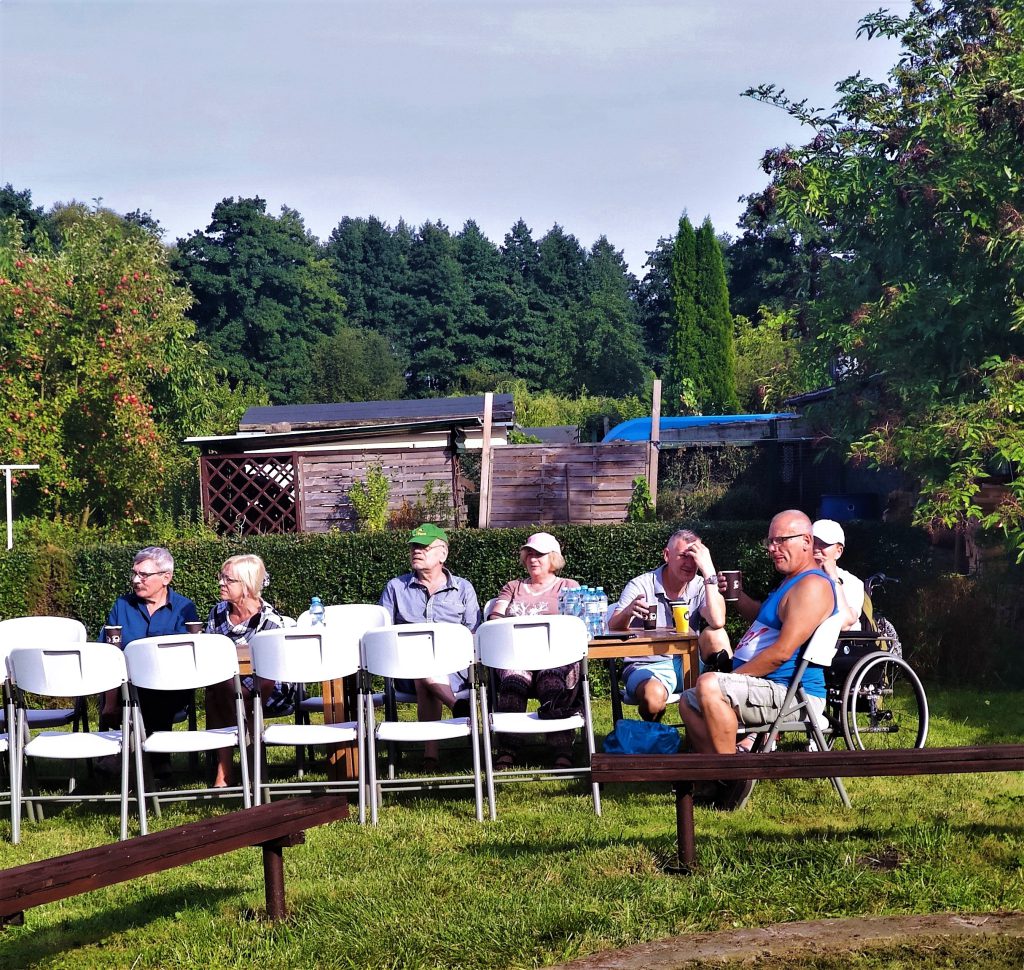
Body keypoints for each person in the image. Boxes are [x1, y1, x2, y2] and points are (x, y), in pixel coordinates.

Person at [679, 510, 837, 762]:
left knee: (709, 686)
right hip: (766, 687)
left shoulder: (812, 586)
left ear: (807, 541)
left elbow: (781, 653)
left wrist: (731, 678)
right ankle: (719, 771)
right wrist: (737, 596)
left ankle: (732, 773)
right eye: (770, 541)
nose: (772, 548)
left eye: (781, 540)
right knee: (688, 700)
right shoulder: (790, 582)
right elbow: (761, 617)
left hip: (792, 694)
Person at [379, 523, 481, 769]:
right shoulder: (396, 588)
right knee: (421, 666)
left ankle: (430, 756)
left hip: (454, 669)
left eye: (424, 547)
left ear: (442, 554)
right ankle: (456, 706)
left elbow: (474, 634)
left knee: (426, 673)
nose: (416, 551)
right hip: (405, 670)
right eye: (414, 547)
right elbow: (382, 634)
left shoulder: (463, 589)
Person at [99, 546, 199, 779]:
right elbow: (108, 654)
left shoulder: (185, 609)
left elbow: (189, 657)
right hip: (126, 687)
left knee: (152, 689)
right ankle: (156, 761)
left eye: (143, 575)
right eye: (134, 573)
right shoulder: (122, 606)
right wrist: (110, 701)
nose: (136, 580)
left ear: (166, 577)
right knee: (138, 689)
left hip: (172, 689)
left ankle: (129, 755)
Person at [607, 529, 728, 721]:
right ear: (666, 555)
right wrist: (628, 611)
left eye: (694, 557)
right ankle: (655, 732)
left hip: (689, 663)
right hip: (647, 666)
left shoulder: (701, 585)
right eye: (683, 556)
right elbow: (612, 627)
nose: (689, 563)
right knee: (653, 699)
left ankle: (735, 707)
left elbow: (718, 620)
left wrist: (709, 572)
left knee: (716, 634)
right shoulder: (641, 585)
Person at [486, 532, 581, 769]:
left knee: (551, 681)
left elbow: (578, 624)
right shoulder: (513, 587)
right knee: (513, 680)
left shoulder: (568, 586)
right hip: (515, 656)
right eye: (529, 554)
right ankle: (508, 749)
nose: (533, 559)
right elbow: (495, 617)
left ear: (553, 558)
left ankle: (561, 749)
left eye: (539, 554)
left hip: (557, 656)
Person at [204, 554, 288, 788]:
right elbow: (208, 655)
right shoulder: (217, 613)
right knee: (217, 686)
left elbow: (271, 674)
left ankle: (225, 771)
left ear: (248, 585)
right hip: (228, 687)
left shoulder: (269, 621)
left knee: (217, 694)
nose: (221, 583)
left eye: (228, 580)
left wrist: (250, 700)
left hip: (266, 689)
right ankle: (246, 765)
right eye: (221, 577)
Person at [812, 519, 864, 631]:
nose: (815, 549)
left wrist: (833, 576)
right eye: (812, 543)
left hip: (843, 641)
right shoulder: (797, 579)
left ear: (838, 551)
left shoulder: (852, 583)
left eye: (823, 544)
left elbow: (844, 623)